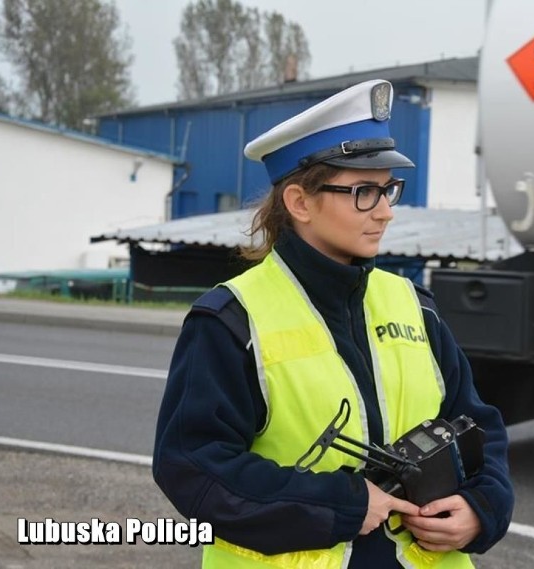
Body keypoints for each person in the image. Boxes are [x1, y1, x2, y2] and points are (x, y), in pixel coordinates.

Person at [153, 79, 514, 568]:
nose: (386, 212)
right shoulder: (231, 321)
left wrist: (483, 507)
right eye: (364, 192)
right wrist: (339, 503)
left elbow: (479, 428)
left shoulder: (414, 306)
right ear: (300, 202)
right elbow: (193, 467)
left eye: (388, 189)